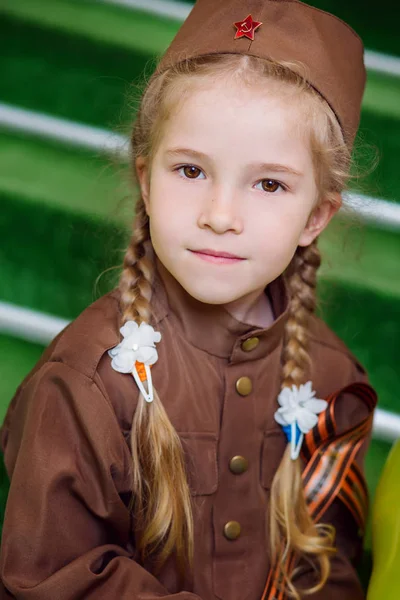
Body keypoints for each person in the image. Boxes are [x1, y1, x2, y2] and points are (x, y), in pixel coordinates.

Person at [0, 0, 377, 598]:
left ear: (317, 216)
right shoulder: (86, 381)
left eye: (270, 183)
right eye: (191, 171)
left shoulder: (329, 374)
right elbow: (52, 577)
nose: (221, 216)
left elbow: (331, 561)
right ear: (146, 180)